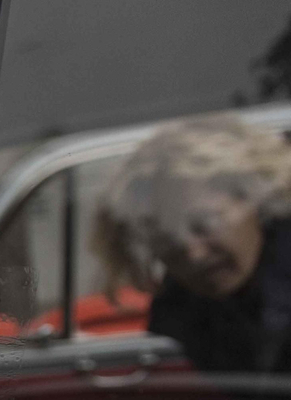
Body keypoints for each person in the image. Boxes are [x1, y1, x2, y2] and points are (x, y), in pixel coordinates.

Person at [94, 114, 291, 375]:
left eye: (205, 224)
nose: (194, 254)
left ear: (254, 198)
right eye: (165, 241)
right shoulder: (176, 309)